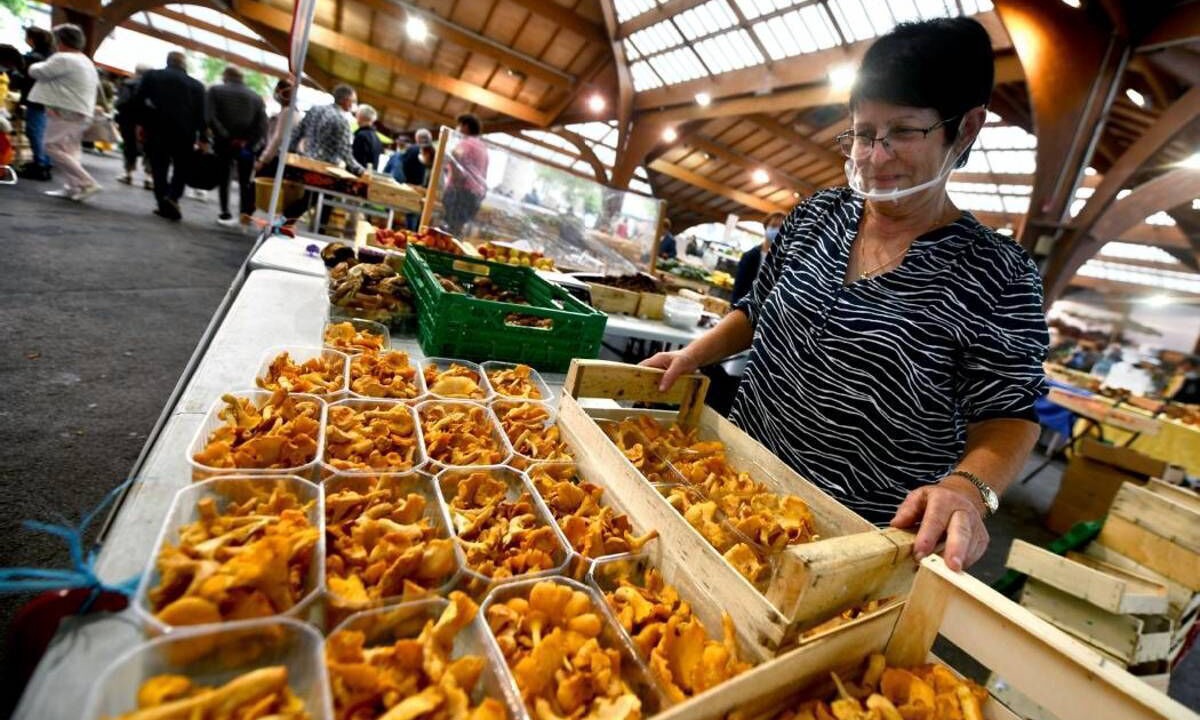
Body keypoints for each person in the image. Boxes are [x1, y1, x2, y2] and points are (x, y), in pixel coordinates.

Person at [644, 18, 1048, 573]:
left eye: (903, 132)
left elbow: (1009, 413)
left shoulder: (999, 274)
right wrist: (693, 355)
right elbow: (757, 308)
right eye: (863, 133)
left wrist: (966, 488)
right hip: (732, 486)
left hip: (853, 540)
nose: (876, 157)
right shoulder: (817, 216)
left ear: (966, 128)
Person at [27, 24, 101, 201]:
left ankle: (87, 182)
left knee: (50, 146)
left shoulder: (63, 58)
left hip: (66, 109)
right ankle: (73, 187)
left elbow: (38, 72)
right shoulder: (85, 60)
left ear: (60, 40)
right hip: (82, 110)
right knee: (70, 149)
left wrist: (34, 65)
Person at [136, 51, 206, 221]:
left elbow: (139, 100)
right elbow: (201, 115)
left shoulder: (152, 76)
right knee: (181, 167)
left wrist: (141, 124)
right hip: (185, 133)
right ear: (184, 65)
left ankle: (162, 200)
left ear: (168, 61)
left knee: (159, 166)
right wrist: (203, 138)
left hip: (157, 129)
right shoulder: (197, 86)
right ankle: (173, 197)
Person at [206, 65, 267, 227]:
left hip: (223, 144)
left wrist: (224, 135)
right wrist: (249, 142)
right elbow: (262, 126)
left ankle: (225, 212)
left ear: (225, 76)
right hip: (246, 147)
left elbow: (209, 117)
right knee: (245, 181)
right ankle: (244, 214)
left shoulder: (215, 91)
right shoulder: (256, 97)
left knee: (224, 177)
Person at [442, 113, 488, 236]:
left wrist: (454, 185)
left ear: (466, 126)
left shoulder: (466, 143)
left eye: (459, 125)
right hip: (475, 196)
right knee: (457, 230)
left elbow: (455, 157)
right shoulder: (483, 147)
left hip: (461, 192)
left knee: (450, 230)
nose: (457, 128)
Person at [17, 27, 54, 181]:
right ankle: (45, 162)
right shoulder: (50, 56)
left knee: (35, 131)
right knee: (43, 132)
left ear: (32, 39)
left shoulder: (34, 57)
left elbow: (24, 76)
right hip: (48, 100)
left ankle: (40, 165)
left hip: (37, 98)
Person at [731, 212, 783, 304]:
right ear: (766, 227)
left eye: (780, 228)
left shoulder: (782, 260)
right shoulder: (749, 256)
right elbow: (738, 286)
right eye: (773, 226)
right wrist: (735, 305)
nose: (777, 230)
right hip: (744, 304)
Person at [114, 64, 150, 186]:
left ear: (136, 71)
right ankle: (149, 177)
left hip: (129, 120)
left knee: (129, 146)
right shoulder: (154, 86)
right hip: (147, 122)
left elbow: (121, 102)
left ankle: (128, 174)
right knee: (149, 148)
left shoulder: (128, 83)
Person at [351, 104, 382, 171]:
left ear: (360, 116)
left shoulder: (361, 136)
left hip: (357, 174)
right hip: (369, 174)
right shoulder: (377, 138)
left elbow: (354, 160)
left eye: (357, 114)